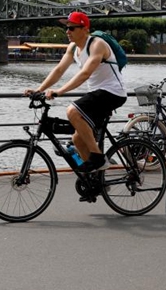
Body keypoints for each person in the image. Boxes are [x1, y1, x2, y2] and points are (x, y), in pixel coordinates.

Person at [24, 11, 126, 174]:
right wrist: (39, 90)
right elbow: (58, 70)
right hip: (97, 93)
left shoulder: (96, 44)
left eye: (72, 28)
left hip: (113, 92)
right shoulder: (73, 48)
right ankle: (95, 181)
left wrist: (60, 91)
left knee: (72, 111)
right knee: (77, 140)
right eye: (67, 28)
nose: (67, 31)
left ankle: (98, 158)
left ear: (84, 28)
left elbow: (85, 73)